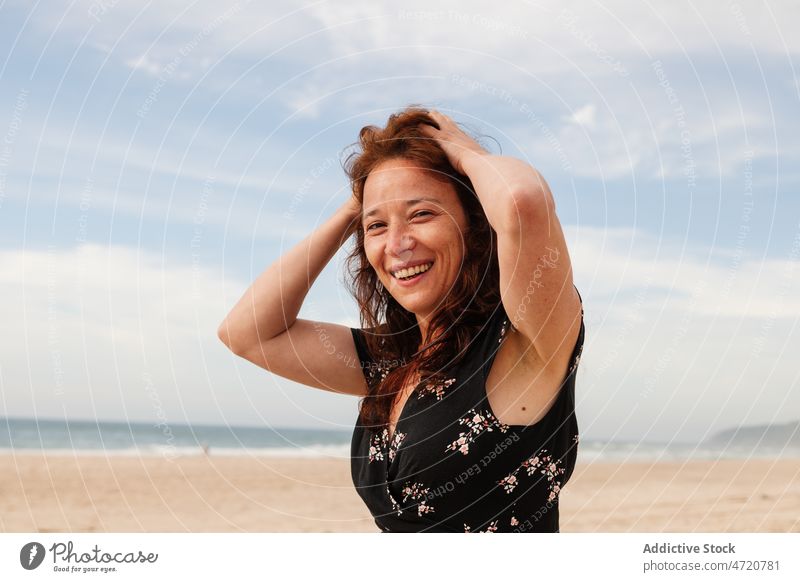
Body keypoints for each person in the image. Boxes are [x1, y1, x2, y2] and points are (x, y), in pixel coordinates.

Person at [218, 106, 585, 532]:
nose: (397, 244)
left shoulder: (527, 338)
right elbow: (246, 332)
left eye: (422, 214)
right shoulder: (393, 360)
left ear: (476, 225)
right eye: (376, 227)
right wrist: (354, 210)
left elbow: (522, 201)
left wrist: (460, 151)